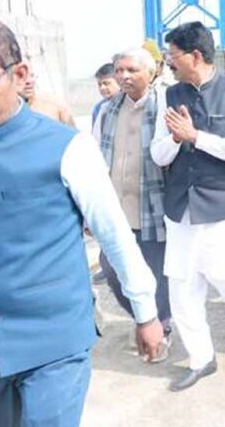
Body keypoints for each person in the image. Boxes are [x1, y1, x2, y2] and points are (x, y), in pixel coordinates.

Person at [0, 13, 163, 427]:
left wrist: (146, 312)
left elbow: (114, 234)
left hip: (53, 341)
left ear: (19, 73)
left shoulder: (69, 148)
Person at [151, 21, 225, 391]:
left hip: (224, 206)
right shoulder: (169, 95)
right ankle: (202, 359)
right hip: (181, 206)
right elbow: (158, 154)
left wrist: (195, 136)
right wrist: (174, 139)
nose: (169, 63)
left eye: (173, 56)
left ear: (195, 55)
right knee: (182, 287)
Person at [92, 47, 174, 362]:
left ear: (150, 73)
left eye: (132, 70)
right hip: (116, 210)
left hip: (152, 208)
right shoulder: (106, 110)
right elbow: (95, 158)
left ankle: (161, 326)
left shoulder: (164, 105)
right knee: (112, 271)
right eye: (119, 70)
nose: (124, 76)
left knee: (156, 274)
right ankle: (144, 316)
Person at [18, 61, 76, 127]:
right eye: (22, 77)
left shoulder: (55, 104)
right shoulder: (9, 114)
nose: (29, 81)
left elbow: (73, 131)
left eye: (32, 75)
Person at [91, 62, 119, 127]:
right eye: (99, 84)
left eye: (106, 83)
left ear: (119, 82)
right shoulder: (98, 108)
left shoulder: (128, 104)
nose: (102, 88)